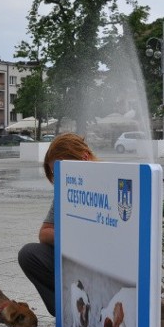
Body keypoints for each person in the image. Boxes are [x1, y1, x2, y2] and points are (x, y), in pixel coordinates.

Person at [18, 133, 97, 316]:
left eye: (62, 171)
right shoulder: (65, 191)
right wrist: (73, 238)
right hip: (74, 255)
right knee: (29, 254)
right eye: (55, 173)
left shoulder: (109, 183)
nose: (59, 178)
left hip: (102, 260)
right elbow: (45, 233)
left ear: (84, 158)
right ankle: (67, 314)